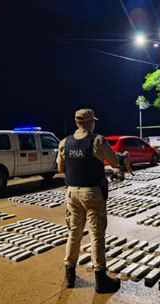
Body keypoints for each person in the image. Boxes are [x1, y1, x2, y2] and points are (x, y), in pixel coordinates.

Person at [56, 108, 131, 293]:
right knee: (96, 235)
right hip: (92, 194)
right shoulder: (97, 140)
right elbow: (114, 161)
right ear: (90, 122)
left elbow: (61, 168)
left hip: (72, 193)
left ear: (76, 122)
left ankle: (69, 276)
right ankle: (100, 280)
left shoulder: (65, 142)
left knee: (74, 232)